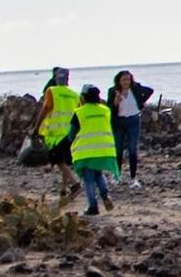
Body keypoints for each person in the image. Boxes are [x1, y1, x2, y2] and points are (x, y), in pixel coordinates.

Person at [69, 84, 120, 216]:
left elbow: (71, 134)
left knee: (88, 178)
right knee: (98, 173)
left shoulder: (79, 112)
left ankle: (92, 206)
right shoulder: (105, 110)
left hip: (86, 150)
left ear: (84, 97)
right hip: (104, 149)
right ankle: (105, 195)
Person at [34, 68, 82, 205]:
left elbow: (45, 109)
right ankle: (63, 189)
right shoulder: (74, 94)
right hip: (71, 132)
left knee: (58, 160)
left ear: (55, 78)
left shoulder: (52, 91)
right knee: (65, 161)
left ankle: (74, 184)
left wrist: (37, 127)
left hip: (56, 133)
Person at [111, 70, 152, 188]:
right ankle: (117, 176)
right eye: (124, 80)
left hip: (133, 121)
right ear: (119, 81)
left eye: (128, 79)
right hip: (119, 122)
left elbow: (150, 91)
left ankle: (133, 178)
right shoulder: (113, 91)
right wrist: (116, 101)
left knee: (132, 149)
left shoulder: (135, 88)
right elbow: (110, 108)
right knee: (118, 150)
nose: (126, 82)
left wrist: (141, 102)